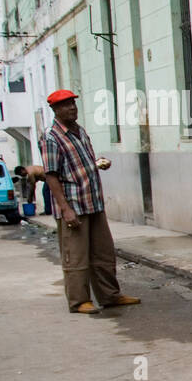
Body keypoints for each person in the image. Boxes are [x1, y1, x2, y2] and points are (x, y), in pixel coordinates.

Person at [39, 89, 141, 314]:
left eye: (73, 104)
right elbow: (51, 175)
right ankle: (78, 301)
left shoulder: (80, 132)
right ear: (55, 110)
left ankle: (110, 295)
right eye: (65, 105)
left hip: (93, 202)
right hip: (74, 205)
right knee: (76, 255)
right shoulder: (51, 137)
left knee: (103, 253)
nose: (72, 108)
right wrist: (65, 210)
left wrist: (98, 163)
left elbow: (79, 164)